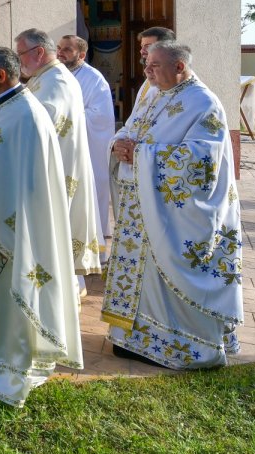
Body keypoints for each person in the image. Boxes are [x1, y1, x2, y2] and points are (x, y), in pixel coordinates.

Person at [0, 47, 83, 406]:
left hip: (12, 227)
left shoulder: (23, 115)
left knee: (11, 288)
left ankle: (11, 357)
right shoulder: (8, 108)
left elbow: (23, 180)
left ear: (2, 76)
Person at [103, 42, 242, 368]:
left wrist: (141, 154)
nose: (147, 71)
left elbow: (204, 162)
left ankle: (186, 347)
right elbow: (131, 128)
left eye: (154, 65)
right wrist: (118, 142)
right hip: (141, 208)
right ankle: (133, 339)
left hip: (176, 214)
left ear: (179, 66)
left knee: (165, 275)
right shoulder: (152, 93)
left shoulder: (203, 103)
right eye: (146, 64)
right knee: (142, 277)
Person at [15, 28, 102, 283]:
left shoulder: (57, 81)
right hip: (50, 167)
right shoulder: (46, 77)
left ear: (39, 52)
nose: (19, 60)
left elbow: (40, 123)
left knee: (54, 233)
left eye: (21, 54)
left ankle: (59, 290)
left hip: (57, 170)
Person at [58, 34, 115, 265]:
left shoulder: (94, 79)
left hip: (89, 150)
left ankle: (95, 252)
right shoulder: (58, 75)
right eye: (59, 48)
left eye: (67, 50)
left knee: (92, 195)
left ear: (81, 54)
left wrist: (65, 117)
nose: (60, 52)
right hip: (65, 147)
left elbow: (100, 117)